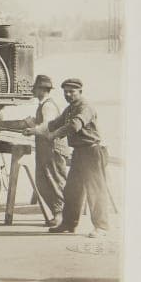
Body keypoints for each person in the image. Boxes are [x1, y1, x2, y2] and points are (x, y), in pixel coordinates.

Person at [29, 78, 111, 237]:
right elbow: (54, 123)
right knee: (72, 190)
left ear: (80, 92)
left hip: (92, 152)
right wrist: (35, 130)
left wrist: (53, 135)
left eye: (72, 91)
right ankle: (69, 224)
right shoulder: (69, 109)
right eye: (65, 92)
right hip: (79, 153)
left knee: (95, 191)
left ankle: (101, 227)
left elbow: (74, 126)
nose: (68, 94)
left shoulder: (85, 107)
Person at [0, 74, 70, 226]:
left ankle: (61, 216)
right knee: (42, 182)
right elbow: (37, 123)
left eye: (35, 88)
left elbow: (47, 126)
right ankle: (58, 214)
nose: (33, 91)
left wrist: (32, 130)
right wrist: (24, 123)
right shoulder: (42, 105)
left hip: (53, 149)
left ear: (41, 90)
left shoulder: (48, 105)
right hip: (45, 148)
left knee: (55, 181)